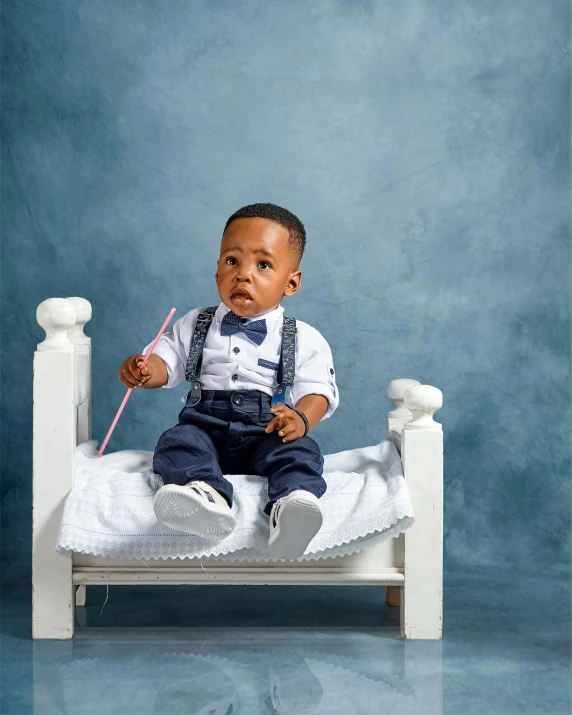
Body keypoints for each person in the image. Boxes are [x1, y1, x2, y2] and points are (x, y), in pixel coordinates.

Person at [118, 203, 338, 558]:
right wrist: (145, 371)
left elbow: (318, 390)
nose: (243, 275)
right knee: (177, 442)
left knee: (300, 452)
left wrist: (300, 418)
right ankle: (208, 496)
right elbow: (167, 361)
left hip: (265, 432)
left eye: (263, 265)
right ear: (217, 269)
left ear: (291, 282)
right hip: (206, 427)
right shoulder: (196, 323)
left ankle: (293, 506)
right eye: (232, 261)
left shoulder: (302, 337)